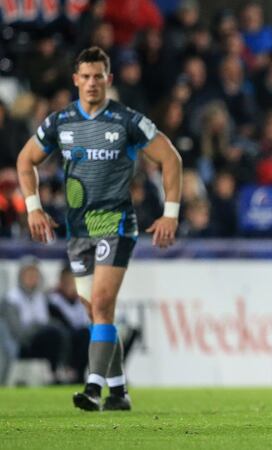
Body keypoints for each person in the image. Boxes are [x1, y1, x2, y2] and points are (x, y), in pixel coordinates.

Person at [16, 47, 183, 411]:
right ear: (76, 80)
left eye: (98, 76)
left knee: (103, 304)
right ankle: (119, 391)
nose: (92, 83)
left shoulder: (127, 121)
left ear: (108, 80)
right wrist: (34, 208)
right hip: (78, 231)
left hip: (116, 224)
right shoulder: (60, 122)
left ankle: (93, 387)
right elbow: (25, 159)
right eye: (86, 76)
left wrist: (170, 213)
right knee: (97, 313)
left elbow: (170, 157)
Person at [47, 264, 92, 384]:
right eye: (67, 281)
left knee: (87, 335)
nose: (71, 285)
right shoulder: (53, 299)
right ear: (61, 282)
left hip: (80, 339)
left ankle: (78, 373)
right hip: (63, 338)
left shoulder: (82, 300)